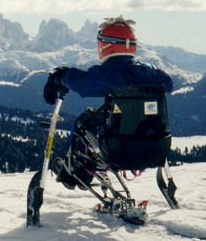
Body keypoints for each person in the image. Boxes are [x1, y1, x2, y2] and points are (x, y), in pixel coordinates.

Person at [42, 15, 174, 190]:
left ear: (105, 45)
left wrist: (58, 78)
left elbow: (80, 84)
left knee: (83, 121)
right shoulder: (145, 72)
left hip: (118, 148)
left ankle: (76, 174)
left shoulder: (108, 74)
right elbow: (169, 84)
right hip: (155, 145)